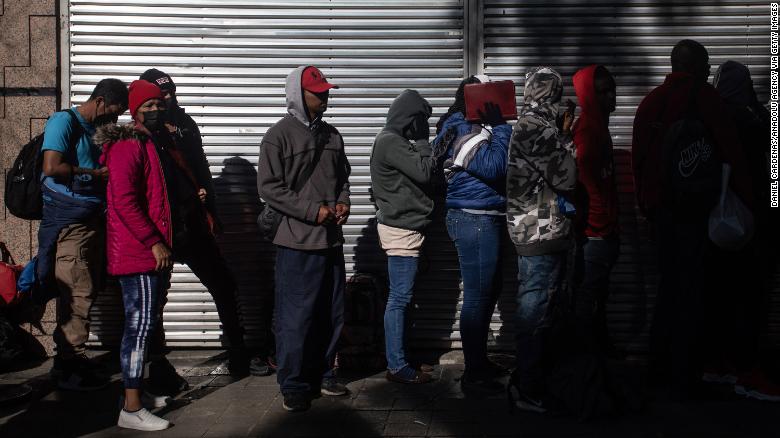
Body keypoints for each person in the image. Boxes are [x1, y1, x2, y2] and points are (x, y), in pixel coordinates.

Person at [632, 40, 752, 398]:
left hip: (663, 213)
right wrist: (751, 204)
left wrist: (647, 208)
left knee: (669, 290)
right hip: (698, 213)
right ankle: (686, 374)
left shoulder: (651, 102)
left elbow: (639, 161)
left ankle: (657, 368)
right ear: (697, 66)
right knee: (695, 293)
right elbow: (732, 152)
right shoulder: (707, 100)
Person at [137, 69, 250, 392]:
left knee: (223, 283)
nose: (167, 100)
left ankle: (238, 349)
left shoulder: (185, 125)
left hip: (193, 222)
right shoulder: (144, 132)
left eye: (171, 93)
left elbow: (200, 167)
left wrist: (211, 210)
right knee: (156, 298)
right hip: (164, 228)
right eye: (161, 97)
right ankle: (156, 365)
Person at [257, 65, 351, 413]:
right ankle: (294, 383)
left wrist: (343, 202)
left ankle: (325, 372)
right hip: (296, 241)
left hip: (331, 241)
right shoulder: (277, 136)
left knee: (331, 312)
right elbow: (269, 188)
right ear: (299, 94)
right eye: (318, 92)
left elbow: (343, 178)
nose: (325, 96)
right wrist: (313, 211)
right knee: (295, 316)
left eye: (326, 91)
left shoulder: (333, 135)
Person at [96, 80, 175, 431]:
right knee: (138, 329)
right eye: (149, 106)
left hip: (145, 251)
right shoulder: (129, 145)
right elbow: (123, 201)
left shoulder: (147, 141)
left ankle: (136, 394)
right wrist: (153, 241)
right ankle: (130, 408)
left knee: (143, 327)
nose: (156, 110)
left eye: (160, 104)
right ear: (134, 109)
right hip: (137, 251)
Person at [39, 78, 128, 391]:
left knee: (86, 288)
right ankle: (68, 367)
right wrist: (93, 174)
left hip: (91, 219)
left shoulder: (95, 129)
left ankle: (73, 361)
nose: (115, 117)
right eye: (115, 110)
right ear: (101, 101)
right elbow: (51, 167)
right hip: (71, 224)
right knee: (77, 289)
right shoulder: (64, 121)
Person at [432, 75, 513, 394]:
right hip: (474, 219)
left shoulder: (472, 126)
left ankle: (479, 363)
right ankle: (474, 373)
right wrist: (503, 127)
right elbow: (494, 167)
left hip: (483, 216)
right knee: (479, 297)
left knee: (489, 292)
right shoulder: (461, 128)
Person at [505, 66, 577, 413]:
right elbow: (566, 178)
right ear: (551, 93)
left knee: (540, 307)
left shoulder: (532, 124)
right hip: (539, 230)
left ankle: (530, 380)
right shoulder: (537, 127)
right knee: (536, 311)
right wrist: (567, 139)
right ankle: (528, 387)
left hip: (537, 228)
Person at [708, 60, 780, 401]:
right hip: (756, 223)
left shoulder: (713, 119)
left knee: (722, 294)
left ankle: (722, 363)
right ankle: (748, 371)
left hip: (720, 224)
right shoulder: (757, 120)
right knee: (751, 299)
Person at [370, 89, 435, 384]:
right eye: (420, 121)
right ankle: (396, 365)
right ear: (410, 119)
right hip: (401, 231)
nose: (422, 127)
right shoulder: (392, 142)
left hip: (406, 227)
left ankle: (402, 358)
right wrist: (422, 140)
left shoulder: (391, 140)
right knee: (399, 298)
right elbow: (425, 172)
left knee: (404, 298)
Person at [571, 65, 620, 356]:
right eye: (602, 91)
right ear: (589, 95)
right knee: (588, 299)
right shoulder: (588, 129)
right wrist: (601, 222)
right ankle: (584, 361)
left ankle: (595, 355)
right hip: (594, 233)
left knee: (598, 296)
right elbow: (586, 181)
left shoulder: (598, 125)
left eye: (612, 88)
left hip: (604, 231)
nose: (611, 96)